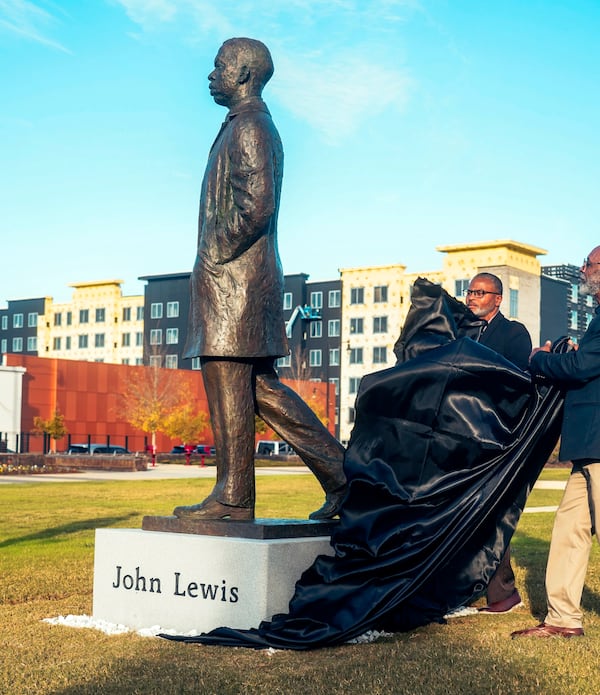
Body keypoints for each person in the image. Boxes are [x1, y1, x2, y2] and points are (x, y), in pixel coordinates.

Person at [173, 38, 346, 522]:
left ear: (245, 73)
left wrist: (214, 253)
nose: (212, 74)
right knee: (262, 391)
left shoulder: (249, 127)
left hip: (236, 286)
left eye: (220, 66)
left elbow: (258, 206)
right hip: (242, 284)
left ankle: (233, 496)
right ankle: (343, 477)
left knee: (231, 382)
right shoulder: (243, 126)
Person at [512, 247, 600, 639]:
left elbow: (583, 367)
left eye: (589, 264)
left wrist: (538, 360)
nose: (584, 270)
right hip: (589, 444)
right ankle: (563, 620)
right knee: (569, 529)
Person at [465, 272, 532, 612]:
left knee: (493, 514)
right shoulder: (459, 332)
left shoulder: (513, 333)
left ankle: (503, 593)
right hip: (460, 440)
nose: (471, 297)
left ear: (497, 299)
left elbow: (518, 383)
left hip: (496, 440)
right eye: (469, 291)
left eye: (480, 292)